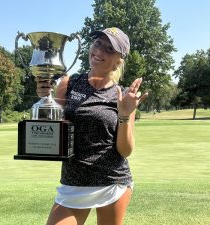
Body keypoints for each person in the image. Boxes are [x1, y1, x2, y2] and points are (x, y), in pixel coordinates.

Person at [36, 27, 148, 225]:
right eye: (98, 43)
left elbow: (125, 150)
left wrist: (124, 114)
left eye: (109, 49)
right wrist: (45, 100)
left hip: (112, 182)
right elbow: (54, 131)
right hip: (73, 182)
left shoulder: (122, 95)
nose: (99, 51)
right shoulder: (68, 84)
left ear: (119, 60)